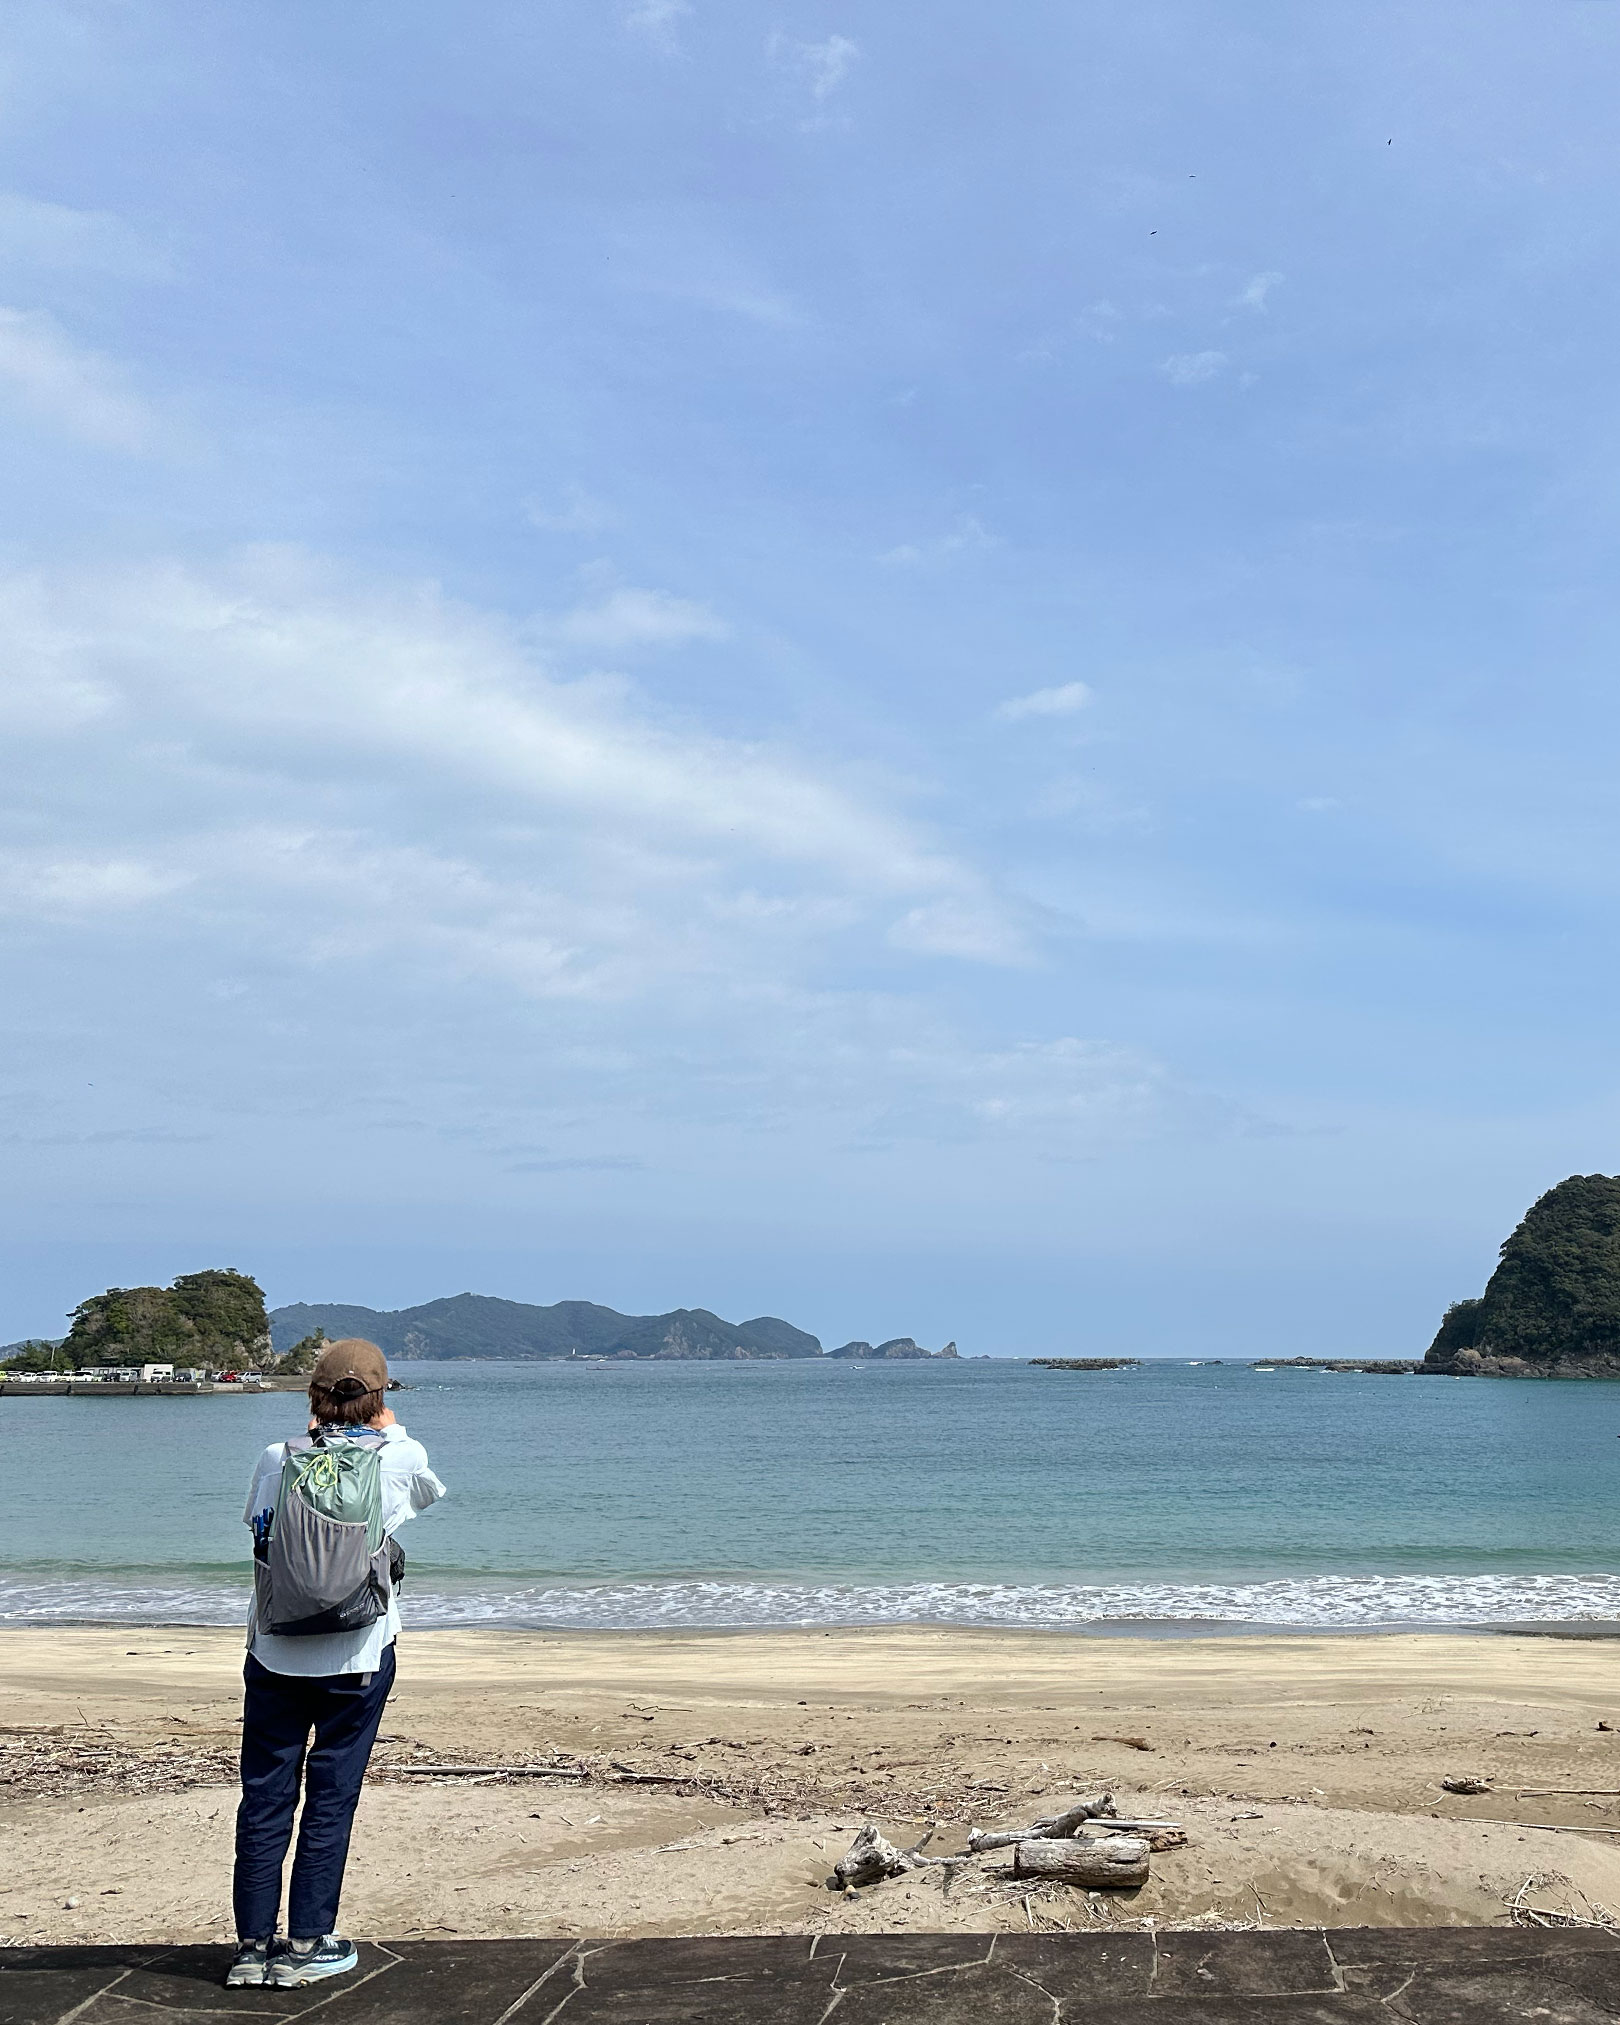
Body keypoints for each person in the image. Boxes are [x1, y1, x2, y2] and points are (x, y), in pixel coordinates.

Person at [226, 1338, 446, 1989]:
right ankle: (306, 1943)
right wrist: (385, 1426)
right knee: (330, 1795)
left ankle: (251, 1948)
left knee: (266, 1796)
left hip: (274, 1650)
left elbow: (255, 1526)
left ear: (312, 1396)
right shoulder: (398, 1458)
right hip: (357, 1654)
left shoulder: (275, 1458)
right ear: (379, 1398)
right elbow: (429, 1491)